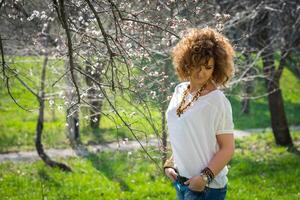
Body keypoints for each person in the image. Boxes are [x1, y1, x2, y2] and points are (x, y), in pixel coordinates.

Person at [163, 27, 235, 200]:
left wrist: (204, 177)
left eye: (208, 67)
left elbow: (228, 148)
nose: (201, 72)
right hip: (181, 181)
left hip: (206, 187)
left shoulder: (218, 102)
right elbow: (185, 133)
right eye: (197, 65)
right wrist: (170, 163)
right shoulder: (179, 90)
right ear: (187, 62)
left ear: (216, 68)